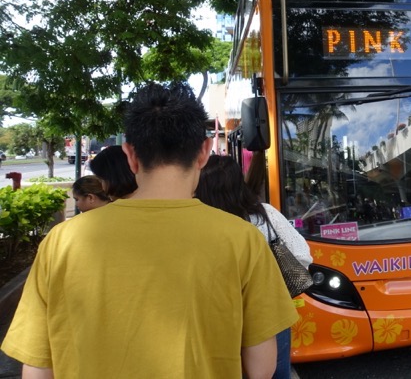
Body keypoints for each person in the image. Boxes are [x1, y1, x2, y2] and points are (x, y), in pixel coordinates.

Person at [1, 82, 297, 378]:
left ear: (129, 154)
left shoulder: (62, 241)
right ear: (205, 151)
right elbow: (261, 369)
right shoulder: (242, 239)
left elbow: (38, 367)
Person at [195, 155, 312, 379]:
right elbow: (302, 255)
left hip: (220, 316)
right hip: (270, 312)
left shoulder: (200, 224)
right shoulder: (264, 214)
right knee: (274, 372)